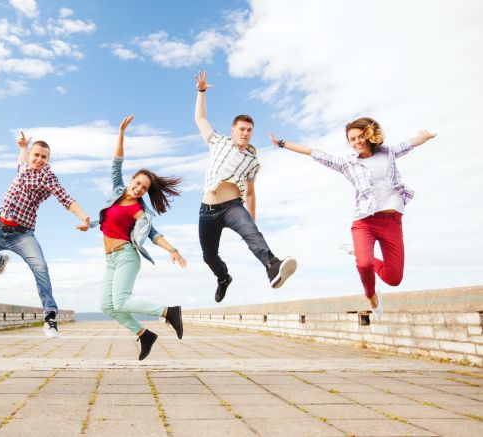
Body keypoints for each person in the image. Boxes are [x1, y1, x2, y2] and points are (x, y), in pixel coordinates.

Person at [268, 117, 436, 320]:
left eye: (359, 137)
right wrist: (282, 143)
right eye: (352, 139)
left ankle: (356, 252)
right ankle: (371, 296)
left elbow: (409, 144)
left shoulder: (388, 153)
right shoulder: (347, 164)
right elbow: (313, 152)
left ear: (368, 135)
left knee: (394, 279)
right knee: (364, 265)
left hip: (392, 222)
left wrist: (424, 137)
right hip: (365, 222)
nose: (357, 142)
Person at [0, 131, 90, 338]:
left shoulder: (47, 177)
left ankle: (50, 317)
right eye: (36, 155)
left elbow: (66, 199)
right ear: (31, 155)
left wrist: (84, 217)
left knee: (40, 266)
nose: (38, 160)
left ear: (48, 160)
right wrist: (22, 146)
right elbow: (21, 160)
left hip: (23, 235)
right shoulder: (23, 166)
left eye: (43, 157)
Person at [194, 71, 297, 303]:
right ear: (233, 130)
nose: (245, 133)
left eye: (249, 130)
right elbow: (201, 120)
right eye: (241, 129)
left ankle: (273, 266)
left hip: (233, 207)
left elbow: (250, 192)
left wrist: (251, 220)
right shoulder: (218, 142)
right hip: (207, 211)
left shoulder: (253, 160)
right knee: (209, 256)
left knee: (253, 235)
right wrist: (201, 92)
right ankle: (223, 278)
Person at [91, 115, 185, 360]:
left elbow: (153, 235)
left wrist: (172, 249)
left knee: (120, 302)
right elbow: (116, 165)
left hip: (126, 257)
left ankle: (168, 312)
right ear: (132, 180)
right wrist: (121, 132)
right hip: (110, 259)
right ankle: (144, 334)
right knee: (106, 306)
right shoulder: (116, 191)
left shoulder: (139, 212)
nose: (139, 188)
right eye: (138, 183)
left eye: (144, 188)